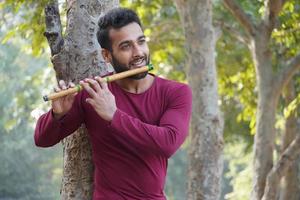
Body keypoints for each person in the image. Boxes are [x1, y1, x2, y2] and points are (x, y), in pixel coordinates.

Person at [34, 7, 192, 200]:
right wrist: (57, 114)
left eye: (141, 42)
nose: (138, 53)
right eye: (126, 46)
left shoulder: (176, 92)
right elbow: (42, 139)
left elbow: (168, 143)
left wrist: (114, 116)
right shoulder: (94, 93)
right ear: (107, 55)